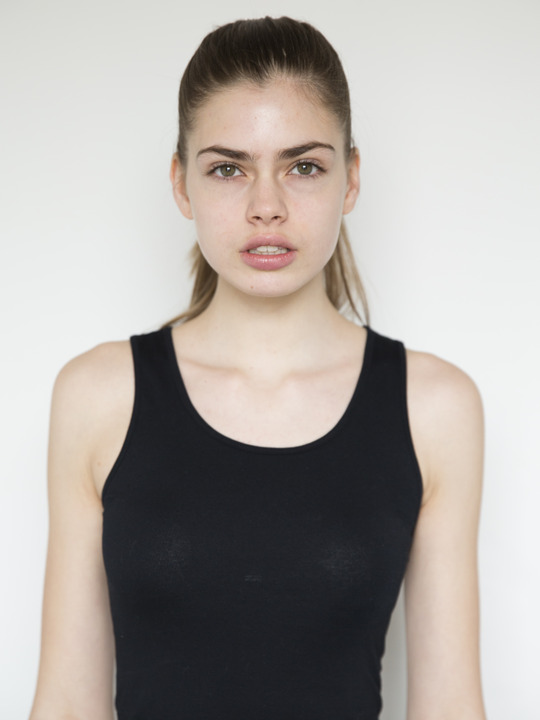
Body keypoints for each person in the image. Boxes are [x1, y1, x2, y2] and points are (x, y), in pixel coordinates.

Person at [29, 16, 486, 720]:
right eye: (228, 168)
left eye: (303, 167)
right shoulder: (98, 396)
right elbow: (65, 703)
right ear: (182, 184)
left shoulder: (433, 408)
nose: (266, 207)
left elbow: (451, 707)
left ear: (350, 179)